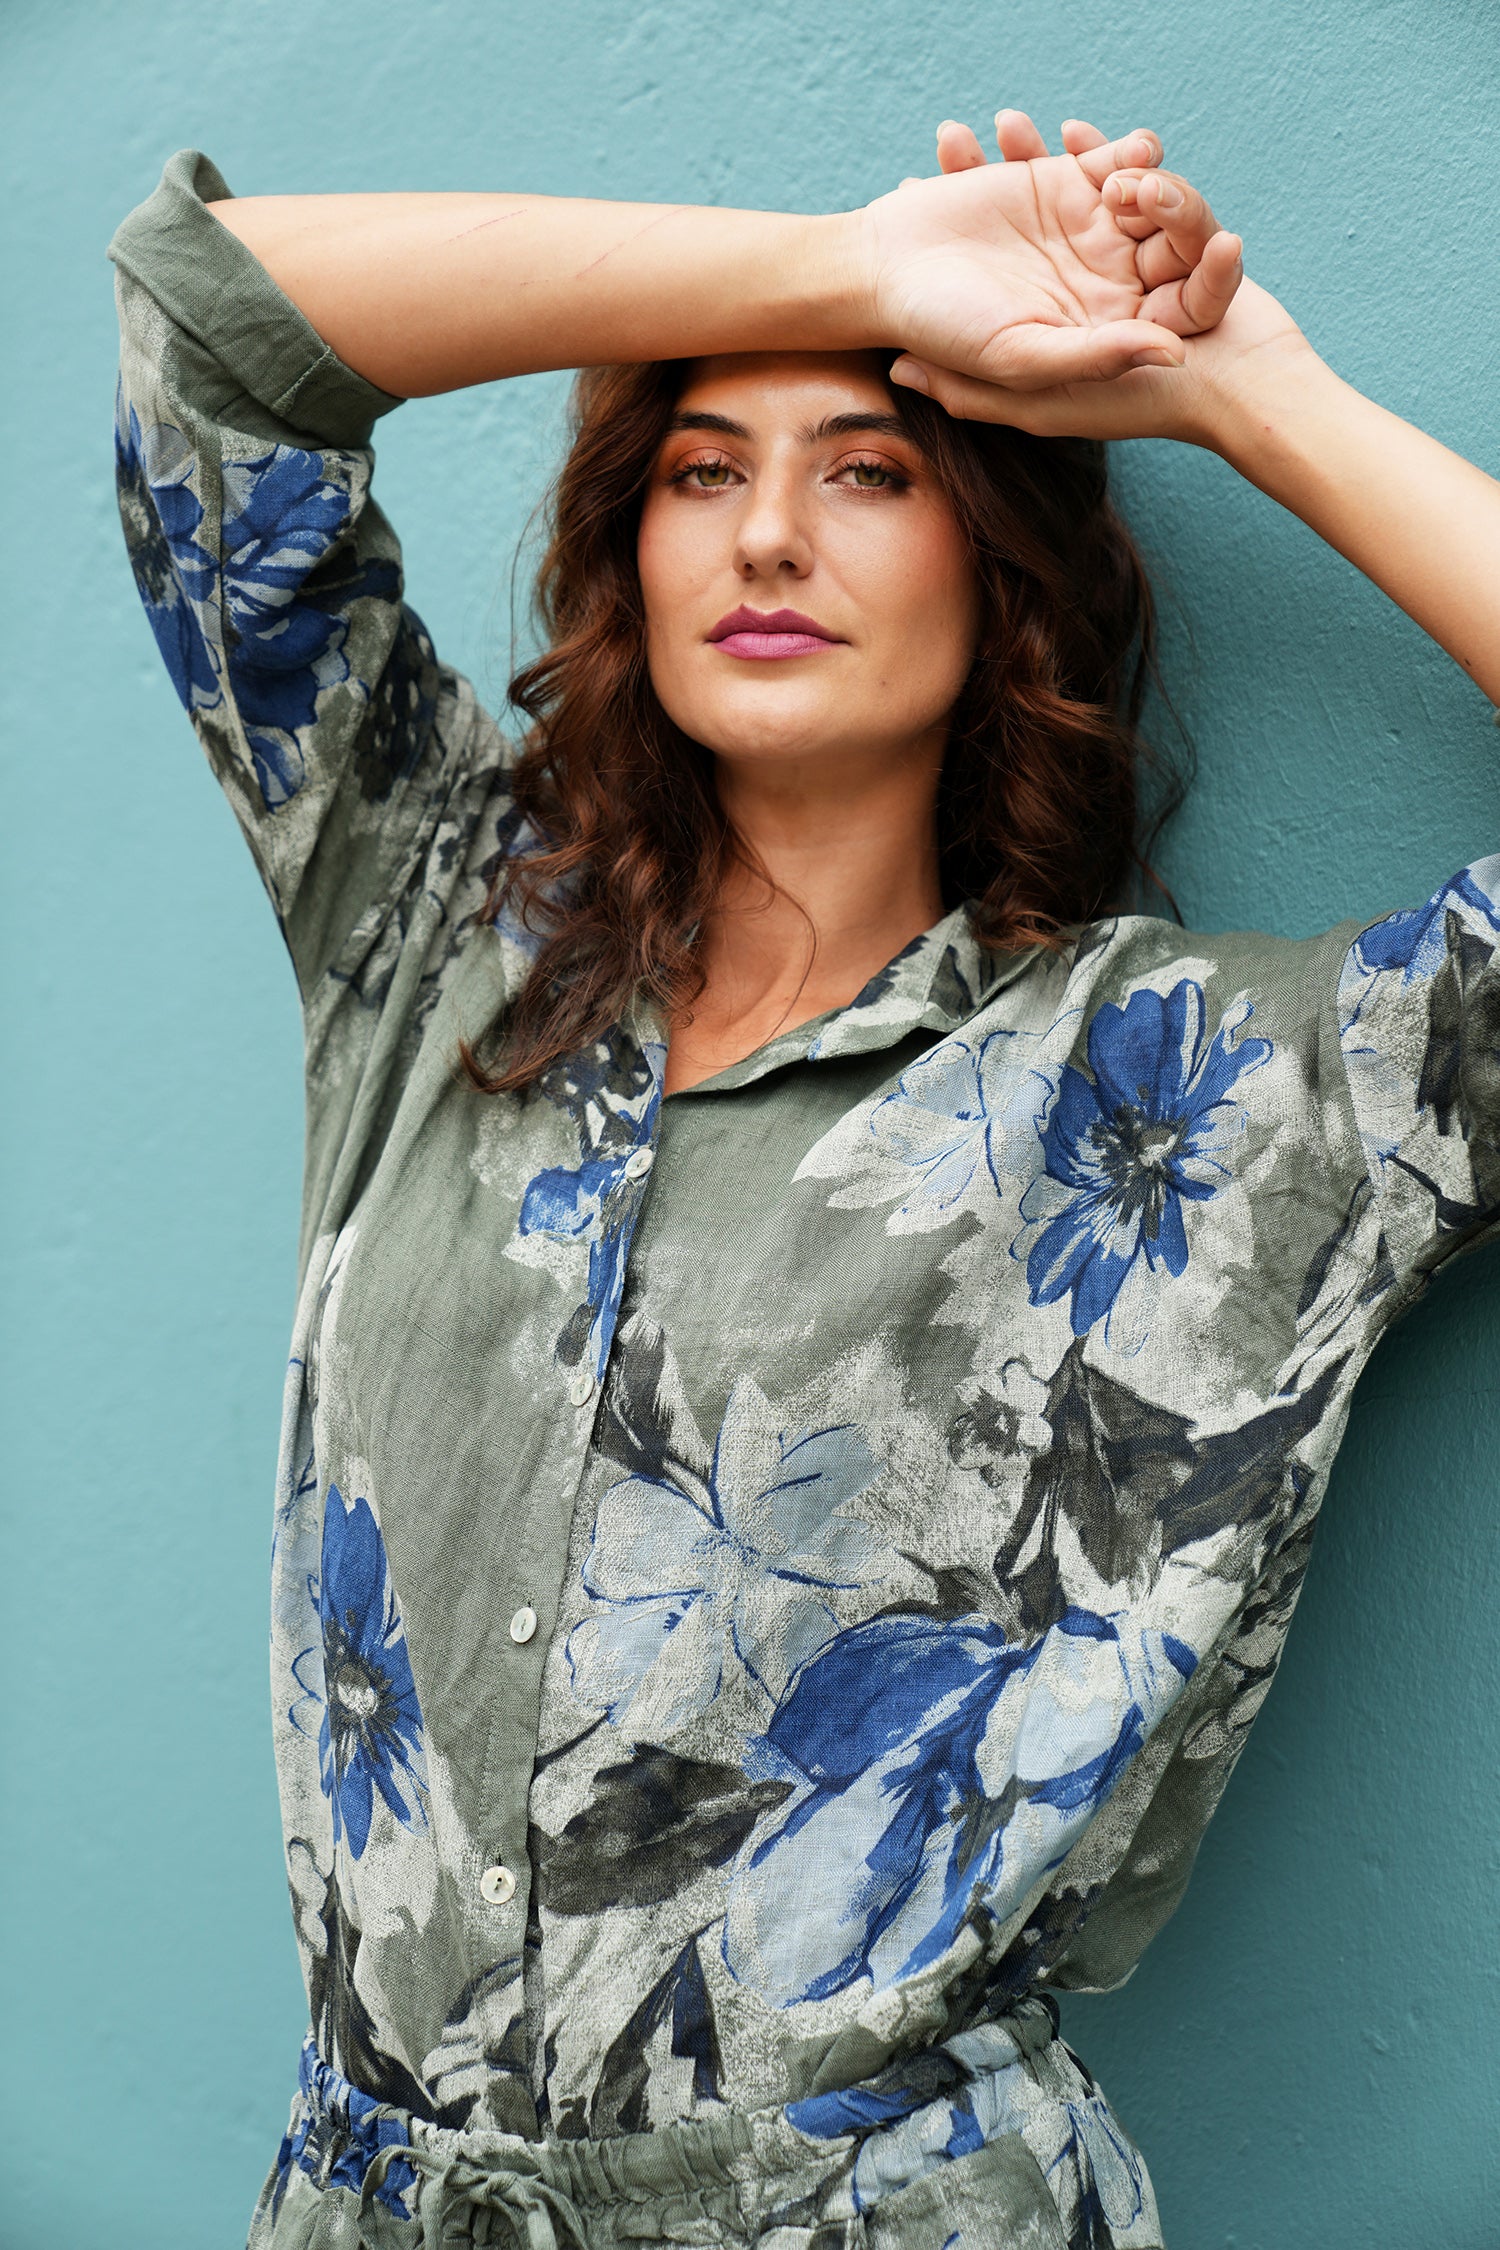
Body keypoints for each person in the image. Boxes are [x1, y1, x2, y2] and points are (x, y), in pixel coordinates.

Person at [106, 104, 1499, 2250]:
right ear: (634, 553)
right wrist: (853, 273)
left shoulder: (1203, 1091)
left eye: (870, 469)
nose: (766, 536)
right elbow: (209, 334)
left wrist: (1243, 395)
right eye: (698, 470)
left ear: (1001, 569)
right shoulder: (431, 931)